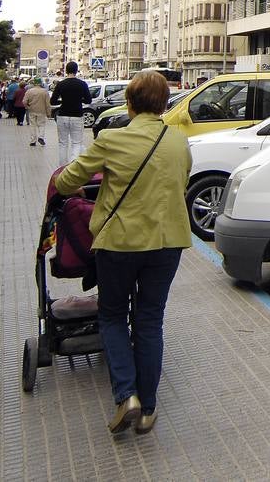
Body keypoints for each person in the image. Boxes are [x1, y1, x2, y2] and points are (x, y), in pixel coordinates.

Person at [53, 70, 191, 435]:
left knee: (112, 317)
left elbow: (67, 180)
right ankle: (147, 409)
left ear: (129, 104)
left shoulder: (111, 140)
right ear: (163, 105)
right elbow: (179, 181)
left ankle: (126, 394)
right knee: (149, 320)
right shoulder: (179, 141)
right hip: (168, 242)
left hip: (120, 244)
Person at [50, 61, 93, 164]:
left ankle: (62, 167)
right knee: (76, 143)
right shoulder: (82, 84)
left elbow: (53, 101)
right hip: (77, 116)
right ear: (76, 70)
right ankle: (72, 165)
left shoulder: (61, 84)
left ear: (66, 70)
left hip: (63, 115)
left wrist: (63, 101)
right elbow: (88, 100)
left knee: (63, 143)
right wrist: (78, 100)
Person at [24, 79, 50, 146]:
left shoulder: (29, 91)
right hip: (42, 111)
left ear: (34, 83)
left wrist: (27, 107)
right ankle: (41, 137)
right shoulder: (45, 92)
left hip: (32, 110)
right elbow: (47, 104)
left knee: (32, 125)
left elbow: (24, 101)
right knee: (41, 125)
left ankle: (33, 140)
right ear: (41, 83)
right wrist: (48, 113)